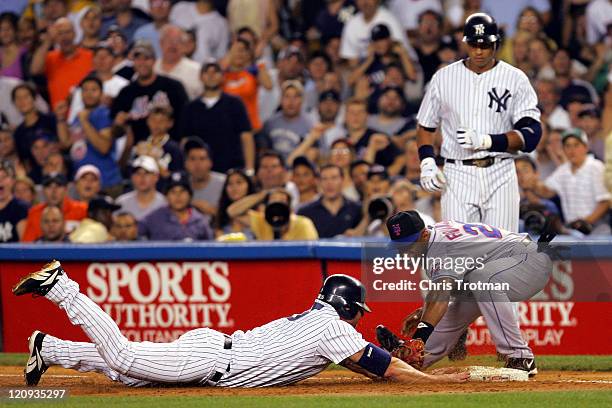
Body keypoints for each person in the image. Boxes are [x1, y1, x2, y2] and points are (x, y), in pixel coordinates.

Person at [13, 266, 469, 387]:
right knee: (125, 358)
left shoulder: (322, 323)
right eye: (359, 310)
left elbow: (366, 364)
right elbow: (383, 368)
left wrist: (393, 364)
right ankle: (62, 288)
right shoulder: (335, 330)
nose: (359, 318)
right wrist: (431, 377)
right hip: (212, 360)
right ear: (348, 306)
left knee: (126, 372)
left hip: (215, 351)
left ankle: (49, 349)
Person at [415, 12, 542, 362]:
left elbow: (532, 135)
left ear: (496, 42)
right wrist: (427, 159)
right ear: (464, 41)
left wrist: (489, 139)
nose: (480, 50)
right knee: (453, 264)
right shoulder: (444, 78)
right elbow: (425, 126)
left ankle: (451, 341)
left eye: (486, 44)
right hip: (457, 174)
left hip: (500, 171)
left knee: (496, 267)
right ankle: (447, 337)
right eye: (474, 43)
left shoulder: (514, 78)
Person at [385, 210, 555, 376]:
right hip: (496, 268)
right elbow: (440, 291)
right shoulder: (434, 241)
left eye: (408, 245)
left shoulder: (443, 248)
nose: (403, 252)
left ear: (423, 235)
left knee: (482, 279)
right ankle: (407, 362)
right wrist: (424, 320)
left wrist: (419, 336)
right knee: (451, 315)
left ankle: (520, 357)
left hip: (528, 261)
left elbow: (441, 295)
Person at [180, 60, 255, 174]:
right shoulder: (191, 107)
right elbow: (185, 140)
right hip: (200, 172)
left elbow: (246, 136)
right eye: (207, 72)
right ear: (200, 77)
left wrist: (250, 169)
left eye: (215, 72)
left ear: (222, 77)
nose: (211, 76)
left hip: (231, 170)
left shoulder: (235, 103)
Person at [532, 129, 611, 235]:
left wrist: (585, 222)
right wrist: (531, 182)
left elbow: (605, 202)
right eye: (567, 146)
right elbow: (546, 191)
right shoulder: (563, 170)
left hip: (598, 228)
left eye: (576, 145)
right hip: (573, 230)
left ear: (586, 147)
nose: (571, 150)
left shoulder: (596, 166)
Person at [111, 40, 189, 143]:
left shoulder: (173, 87)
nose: (142, 63)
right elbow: (116, 132)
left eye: (146, 58)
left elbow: (185, 120)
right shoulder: (126, 93)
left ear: (154, 61)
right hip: (137, 150)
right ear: (133, 62)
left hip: (168, 148)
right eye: (138, 59)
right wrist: (118, 124)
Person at [29, 17, 93, 108]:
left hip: (86, 114)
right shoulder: (50, 57)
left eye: (67, 32)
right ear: (55, 37)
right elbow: (34, 70)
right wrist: (48, 41)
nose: (64, 37)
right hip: (59, 116)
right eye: (60, 33)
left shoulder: (90, 56)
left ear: (74, 34)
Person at [139, 171, 213, 241]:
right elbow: (135, 234)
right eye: (173, 192)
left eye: (182, 191)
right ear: (166, 196)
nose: (178, 196)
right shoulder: (154, 218)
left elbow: (209, 248)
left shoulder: (200, 220)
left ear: (190, 195)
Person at [227, 188, 318, 241]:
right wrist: (261, 195)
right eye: (273, 200)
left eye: (282, 201)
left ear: (290, 209)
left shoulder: (303, 224)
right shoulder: (262, 221)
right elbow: (232, 211)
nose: (277, 204)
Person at [223, 38, 273, 132]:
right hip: (229, 130)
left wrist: (258, 64)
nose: (240, 53)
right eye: (236, 50)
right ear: (229, 53)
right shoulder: (223, 75)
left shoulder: (253, 72)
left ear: (248, 54)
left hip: (252, 129)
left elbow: (269, 85)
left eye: (243, 50)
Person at [298, 164, 362, 238]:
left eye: (334, 178)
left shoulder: (357, 209)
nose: (329, 183)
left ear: (342, 180)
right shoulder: (305, 212)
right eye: (324, 179)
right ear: (319, 182)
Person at [21, 173, 88, 242]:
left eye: (58, 186)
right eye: (49, 187)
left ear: (66, 189)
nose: (54, 191)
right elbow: (27, 246)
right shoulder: (34, 213)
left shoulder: (82, 210)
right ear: (43, 191)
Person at [260, 80, 313, 161]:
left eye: (296, 97)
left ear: (302, 100)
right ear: (281, 99)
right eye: (287, 96)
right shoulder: (270, 123)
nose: (291, 102)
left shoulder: (310, 126)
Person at [131, 105, 184, 176]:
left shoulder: (174, 148)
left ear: (170, 123)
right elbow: (132, 171)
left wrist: (153, 158)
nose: (156, 124)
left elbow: (175, 175)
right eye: (153, 120)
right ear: (147, 121)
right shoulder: (141, 145)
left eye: (161, 121)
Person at [154, 25, 202, 100]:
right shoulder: (150, 67)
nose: (173, 45)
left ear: (183, 45)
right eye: (169, 40)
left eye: (177, 41)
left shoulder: (197, 70)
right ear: (161, 43)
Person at [183, 137, 225, 218]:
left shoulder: (224, 183)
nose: (197, 164)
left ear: (210, 162)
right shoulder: (181, 185)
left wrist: (213, 211)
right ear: (186, 164)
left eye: (202, 159)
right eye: (192, 159)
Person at [115, 155, 166, 222]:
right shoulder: (121, 203)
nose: (142, 177)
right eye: (137, 173)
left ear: (156, 177)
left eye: (146, 173)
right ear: (132, 177)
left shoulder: (165, 204)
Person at [214, 168, 256, 239]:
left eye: (239, 182)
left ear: (248, 185)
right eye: (230, 184)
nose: (234, 187)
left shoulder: (258, 212)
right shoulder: (221, 216)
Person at [0, 161, 28, 242]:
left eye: (4, 177)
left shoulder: (21, 208)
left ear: (13, 181)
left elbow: (24, 245)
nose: (0, 181)